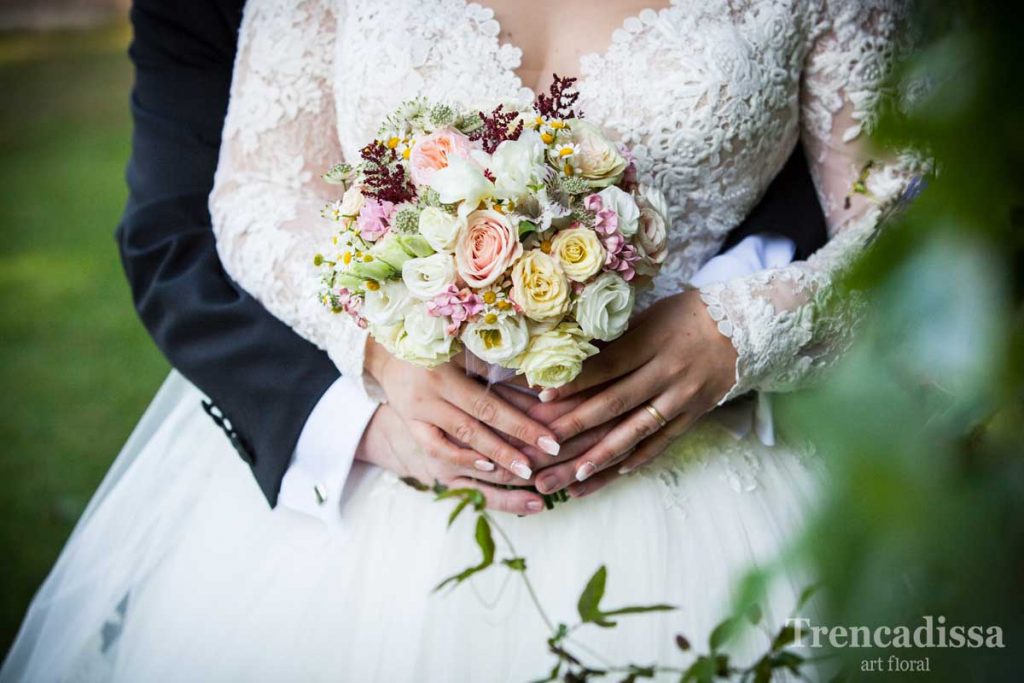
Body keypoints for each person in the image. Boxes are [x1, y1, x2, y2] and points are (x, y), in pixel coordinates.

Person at [2, 0, 915, 680]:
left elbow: (911, 224)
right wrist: (381, 351)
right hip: (382, 489)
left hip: (705, 470)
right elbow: (257, 196)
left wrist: (734, 334)